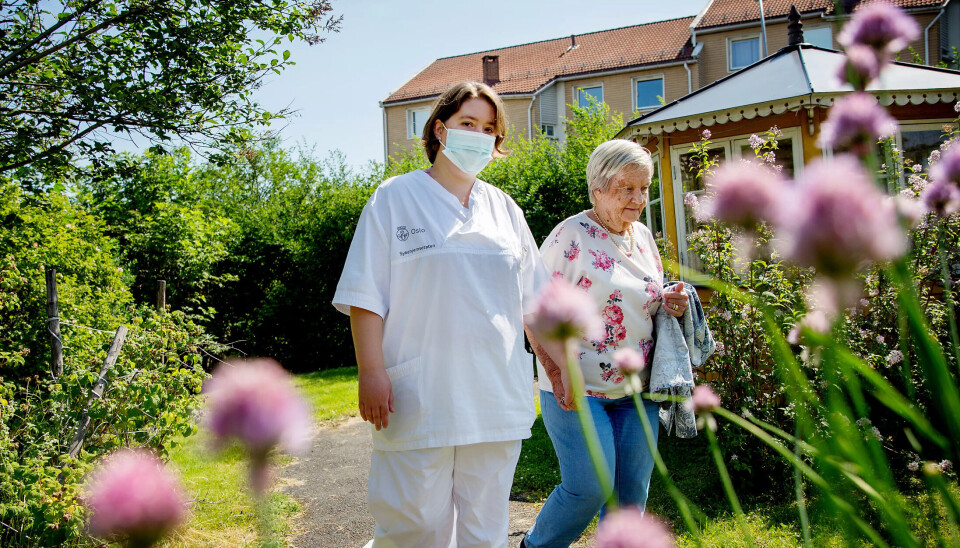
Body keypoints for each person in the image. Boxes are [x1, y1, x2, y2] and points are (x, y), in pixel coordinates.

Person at [333, 81, 546, 548]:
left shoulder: (505, 210)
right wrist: (371, 372)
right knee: (414, 526)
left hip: (494, 394)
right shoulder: (394, 198)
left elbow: (537, 302)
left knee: (484, 530)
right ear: (439, 129)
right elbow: (366, 294)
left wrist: (558, 370)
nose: (479, 134)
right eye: (468, 123)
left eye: (489, 128)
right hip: (419, 394)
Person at [521, 140, 689, 548]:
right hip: (578, 386)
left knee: (631, 499)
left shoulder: (644, 237)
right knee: (588, 487)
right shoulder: (570, 235)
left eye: (644, 188)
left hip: (638, 388)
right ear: (597, 189)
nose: (638, 198)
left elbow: (643, 298)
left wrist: (672, 303)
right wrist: (558, 372)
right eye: (626, 188)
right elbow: (530, 308)